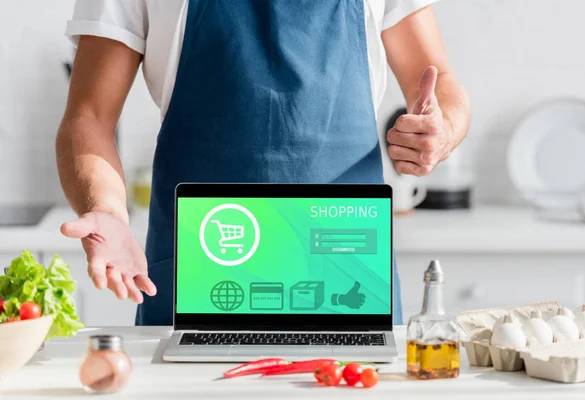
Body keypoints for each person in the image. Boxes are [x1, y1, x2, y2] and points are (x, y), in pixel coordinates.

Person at [56, 0, 471, 326]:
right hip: (201, 276)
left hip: (348, 274)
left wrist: (442, 130)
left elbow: (442, 83)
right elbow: (88, 118)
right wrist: (106, 210)